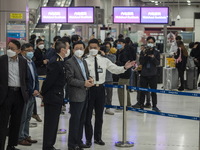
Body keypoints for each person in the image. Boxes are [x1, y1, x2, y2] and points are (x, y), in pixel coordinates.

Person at [84, 39, 135, 147]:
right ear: (88, 48)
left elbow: (114, 69)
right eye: (91, 47)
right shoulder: (84, 61)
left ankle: (98, 138)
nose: (93, 49)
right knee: (87, 116)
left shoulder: (104, 60)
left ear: (99, 48)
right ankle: (88, 139)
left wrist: (125, 67)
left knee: (99, 116)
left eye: (95, 47)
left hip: (100, 89)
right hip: (89, 89)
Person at [41, 40, 70, 150]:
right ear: (62, 50)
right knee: (51, 123)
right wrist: (43, 93)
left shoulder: (60, 61)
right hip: (53, 96)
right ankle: (48, 146)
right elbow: (50, 81)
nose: (68, 50)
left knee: (54, 122)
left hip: (56, 95)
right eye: (67, 48)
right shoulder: (55, 62)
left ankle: (50, 145)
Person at [0, 39, 29, 150]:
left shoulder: (23, 61)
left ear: (18, 51)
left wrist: (25, 92)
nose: (9, 50)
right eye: (8, 48)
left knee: (16, 122)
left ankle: (11, 145)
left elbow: (26, 78)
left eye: (12, 49)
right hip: (5, 95)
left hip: (19, 95)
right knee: (3, 123)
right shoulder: (2, 60)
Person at [65, 41, 94, 150]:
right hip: (76, 95)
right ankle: (72, 145)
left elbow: (85, 75)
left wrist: (90, 79)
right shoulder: (69, 62)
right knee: (75, 121)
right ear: (73, 50)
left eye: (81, 48)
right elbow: (70, 79)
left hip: (85, 94)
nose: (79, 50)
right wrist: (83, 83)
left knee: (82, 120)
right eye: (77, 48)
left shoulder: (84, 61)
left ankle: (79, 141)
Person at [18, 43, 39, 146]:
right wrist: (31, 90)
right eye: (28, 50)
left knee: (28, 117)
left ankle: (26, 135)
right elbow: (24, 80)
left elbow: (35, 77)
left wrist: (37, 89)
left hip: (32, 95)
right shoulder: (21, 62)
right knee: (23, 117)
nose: (31, 52)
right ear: (22, 51)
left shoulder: (31, 62)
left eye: (32, 50)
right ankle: (20, 137)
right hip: (25, 94)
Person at [132, 36, 160, 112]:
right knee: (142, 91)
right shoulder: (143, 52)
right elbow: (141, 62)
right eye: (149, 42)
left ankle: (154, 106)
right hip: (144, 74)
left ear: (154, 43)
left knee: (154, 92)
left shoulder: (156, 52)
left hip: (153, 74)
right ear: (146, 43)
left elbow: (158, 63)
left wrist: (153, 57)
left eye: (151, 42)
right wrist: (145, 55)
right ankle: (141, 105)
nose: (150, 44)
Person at [116, 39, 134, 107]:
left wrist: (116, 63)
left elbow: (125, 63)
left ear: (124, 44)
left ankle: (123, 105)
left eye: (120, 43)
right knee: (125, 90)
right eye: (117, 43)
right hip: (121, 72)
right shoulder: (119, 52)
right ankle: (128, 104)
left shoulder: (125, 52)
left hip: (125, 73)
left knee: (121, 90)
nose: (118, 44)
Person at [101, 42, 116, 115]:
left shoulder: (112, 56)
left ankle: (108, 108)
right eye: (105, 47)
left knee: (109, 94)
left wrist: (105, 55)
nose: (106, 49)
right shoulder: (99, 56)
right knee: (100, 95)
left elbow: (112, 62)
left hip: (109, 78)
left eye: (108, 47)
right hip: (100, 78)